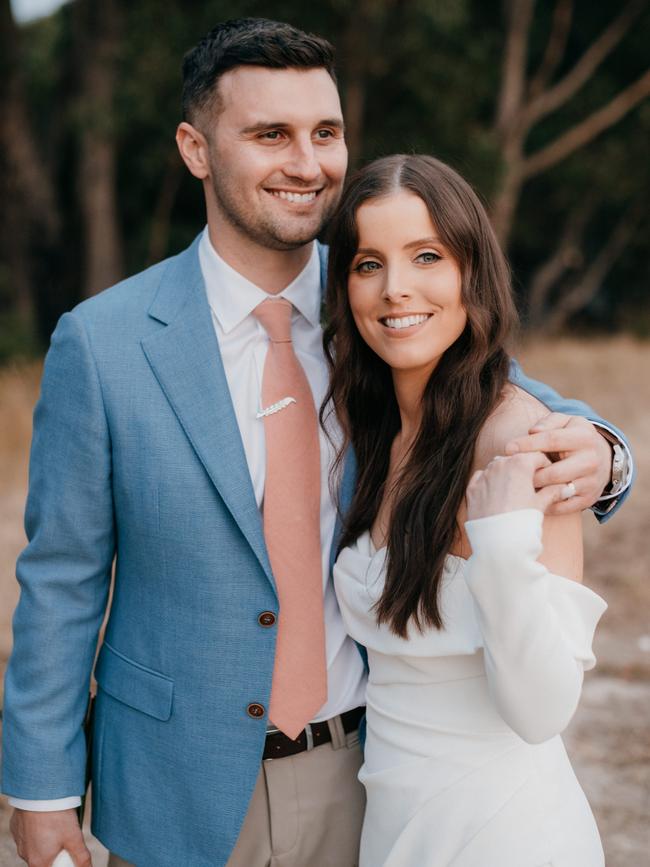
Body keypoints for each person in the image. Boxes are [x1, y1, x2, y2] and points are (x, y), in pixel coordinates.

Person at [1, 18, 631, 867]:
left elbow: (501, 393)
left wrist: (606, 448)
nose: (307, 162)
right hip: (172, 787)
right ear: (196, 148)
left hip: (361, 775)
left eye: (325, 133)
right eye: (271, 134)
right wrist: (41, 786)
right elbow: (62, 577)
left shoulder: (382, 299)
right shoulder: (104, 343)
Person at [326, 154, 612, 866]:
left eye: (427, 256)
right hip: (391, 822)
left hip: (503, 833)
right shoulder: (373, 427)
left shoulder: (523, 440)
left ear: (471, 272)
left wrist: (504, 541)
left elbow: (544, 709)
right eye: (368, 264)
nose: (396, 290)